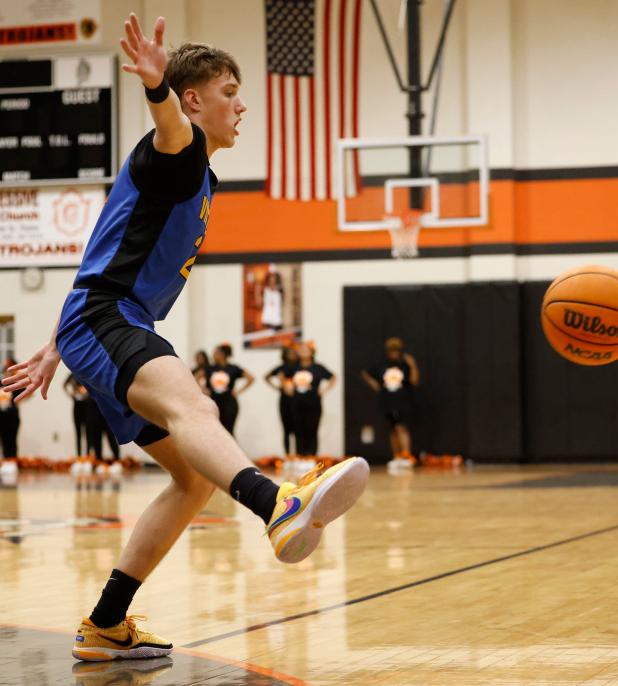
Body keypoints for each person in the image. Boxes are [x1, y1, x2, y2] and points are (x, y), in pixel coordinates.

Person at [1, 13, 368, 662]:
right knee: (193, 407)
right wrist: (156, 87)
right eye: (230, 90)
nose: (242, 104)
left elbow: (99, 251)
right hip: (108, 319)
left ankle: (105, 623)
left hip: (102, 321)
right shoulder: (179, 147)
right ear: (195, 98)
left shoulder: (194, 174)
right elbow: (172, 125)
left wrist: (58, 342)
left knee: (193, 480)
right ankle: (276, 503)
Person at [361, 337, 420, 470]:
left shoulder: (405, 365)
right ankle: (397, 456)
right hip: (387, 401)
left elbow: (415, 381)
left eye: (396, 350)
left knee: (401, 427)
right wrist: (374, 384)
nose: (394, 353)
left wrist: (413, 365)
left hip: (402, 401)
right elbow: (366, 373)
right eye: (391, 350)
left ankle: (406, 455)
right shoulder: (382, 365)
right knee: (392, 429)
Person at [290, 341, 335, 457]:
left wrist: (324, 390)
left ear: (312, 352)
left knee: (312, 429)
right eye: (301, 350)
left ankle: (311, 456)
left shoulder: (318, 368)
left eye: (306, 350)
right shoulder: (293, 367)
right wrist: (287, 387)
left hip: (313, 403)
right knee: (298, 429)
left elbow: (332, 377)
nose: (303, 352)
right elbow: (283, 376)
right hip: (297, 403)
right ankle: (300, 456)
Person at [201, 344, 253, 435]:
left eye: (215, 353)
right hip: (214, 403)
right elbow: (194, 377)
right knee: (214, 431)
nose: (213, 355)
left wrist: (239, 391)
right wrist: (203, 389)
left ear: (222, 354)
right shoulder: (210, 368)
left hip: (229, 403)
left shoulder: (233, 368)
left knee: (229, 431)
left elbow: (250, 378)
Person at [264, 346, 299, 455]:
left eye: (293, 353)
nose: (292, 355)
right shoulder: (281, 368)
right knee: (286, 429)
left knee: (298, 428)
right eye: (289, 353)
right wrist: (277, 386)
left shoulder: (299, 367)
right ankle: (288, 454)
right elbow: (267, 376)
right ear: (284, 355)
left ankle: (299, 454)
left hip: (298, 399)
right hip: (285, 400)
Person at [0, 358, 22, 477]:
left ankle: (12, 461)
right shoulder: (2, 381)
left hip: (12, 415)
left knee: (11, 438)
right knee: (4, 438)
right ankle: (5, 460)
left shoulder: (17, 383)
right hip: (2, 415)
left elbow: (25, 392)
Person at [64, 373, 91, 456]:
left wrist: (87, 394)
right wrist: (72, 395)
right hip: (77, 405)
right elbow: (64, 385)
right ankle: (79, 456)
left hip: (86, 405)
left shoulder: (85, 372)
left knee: (87, 432)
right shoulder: (72, 375)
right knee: (78, 432)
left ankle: (87, 455)